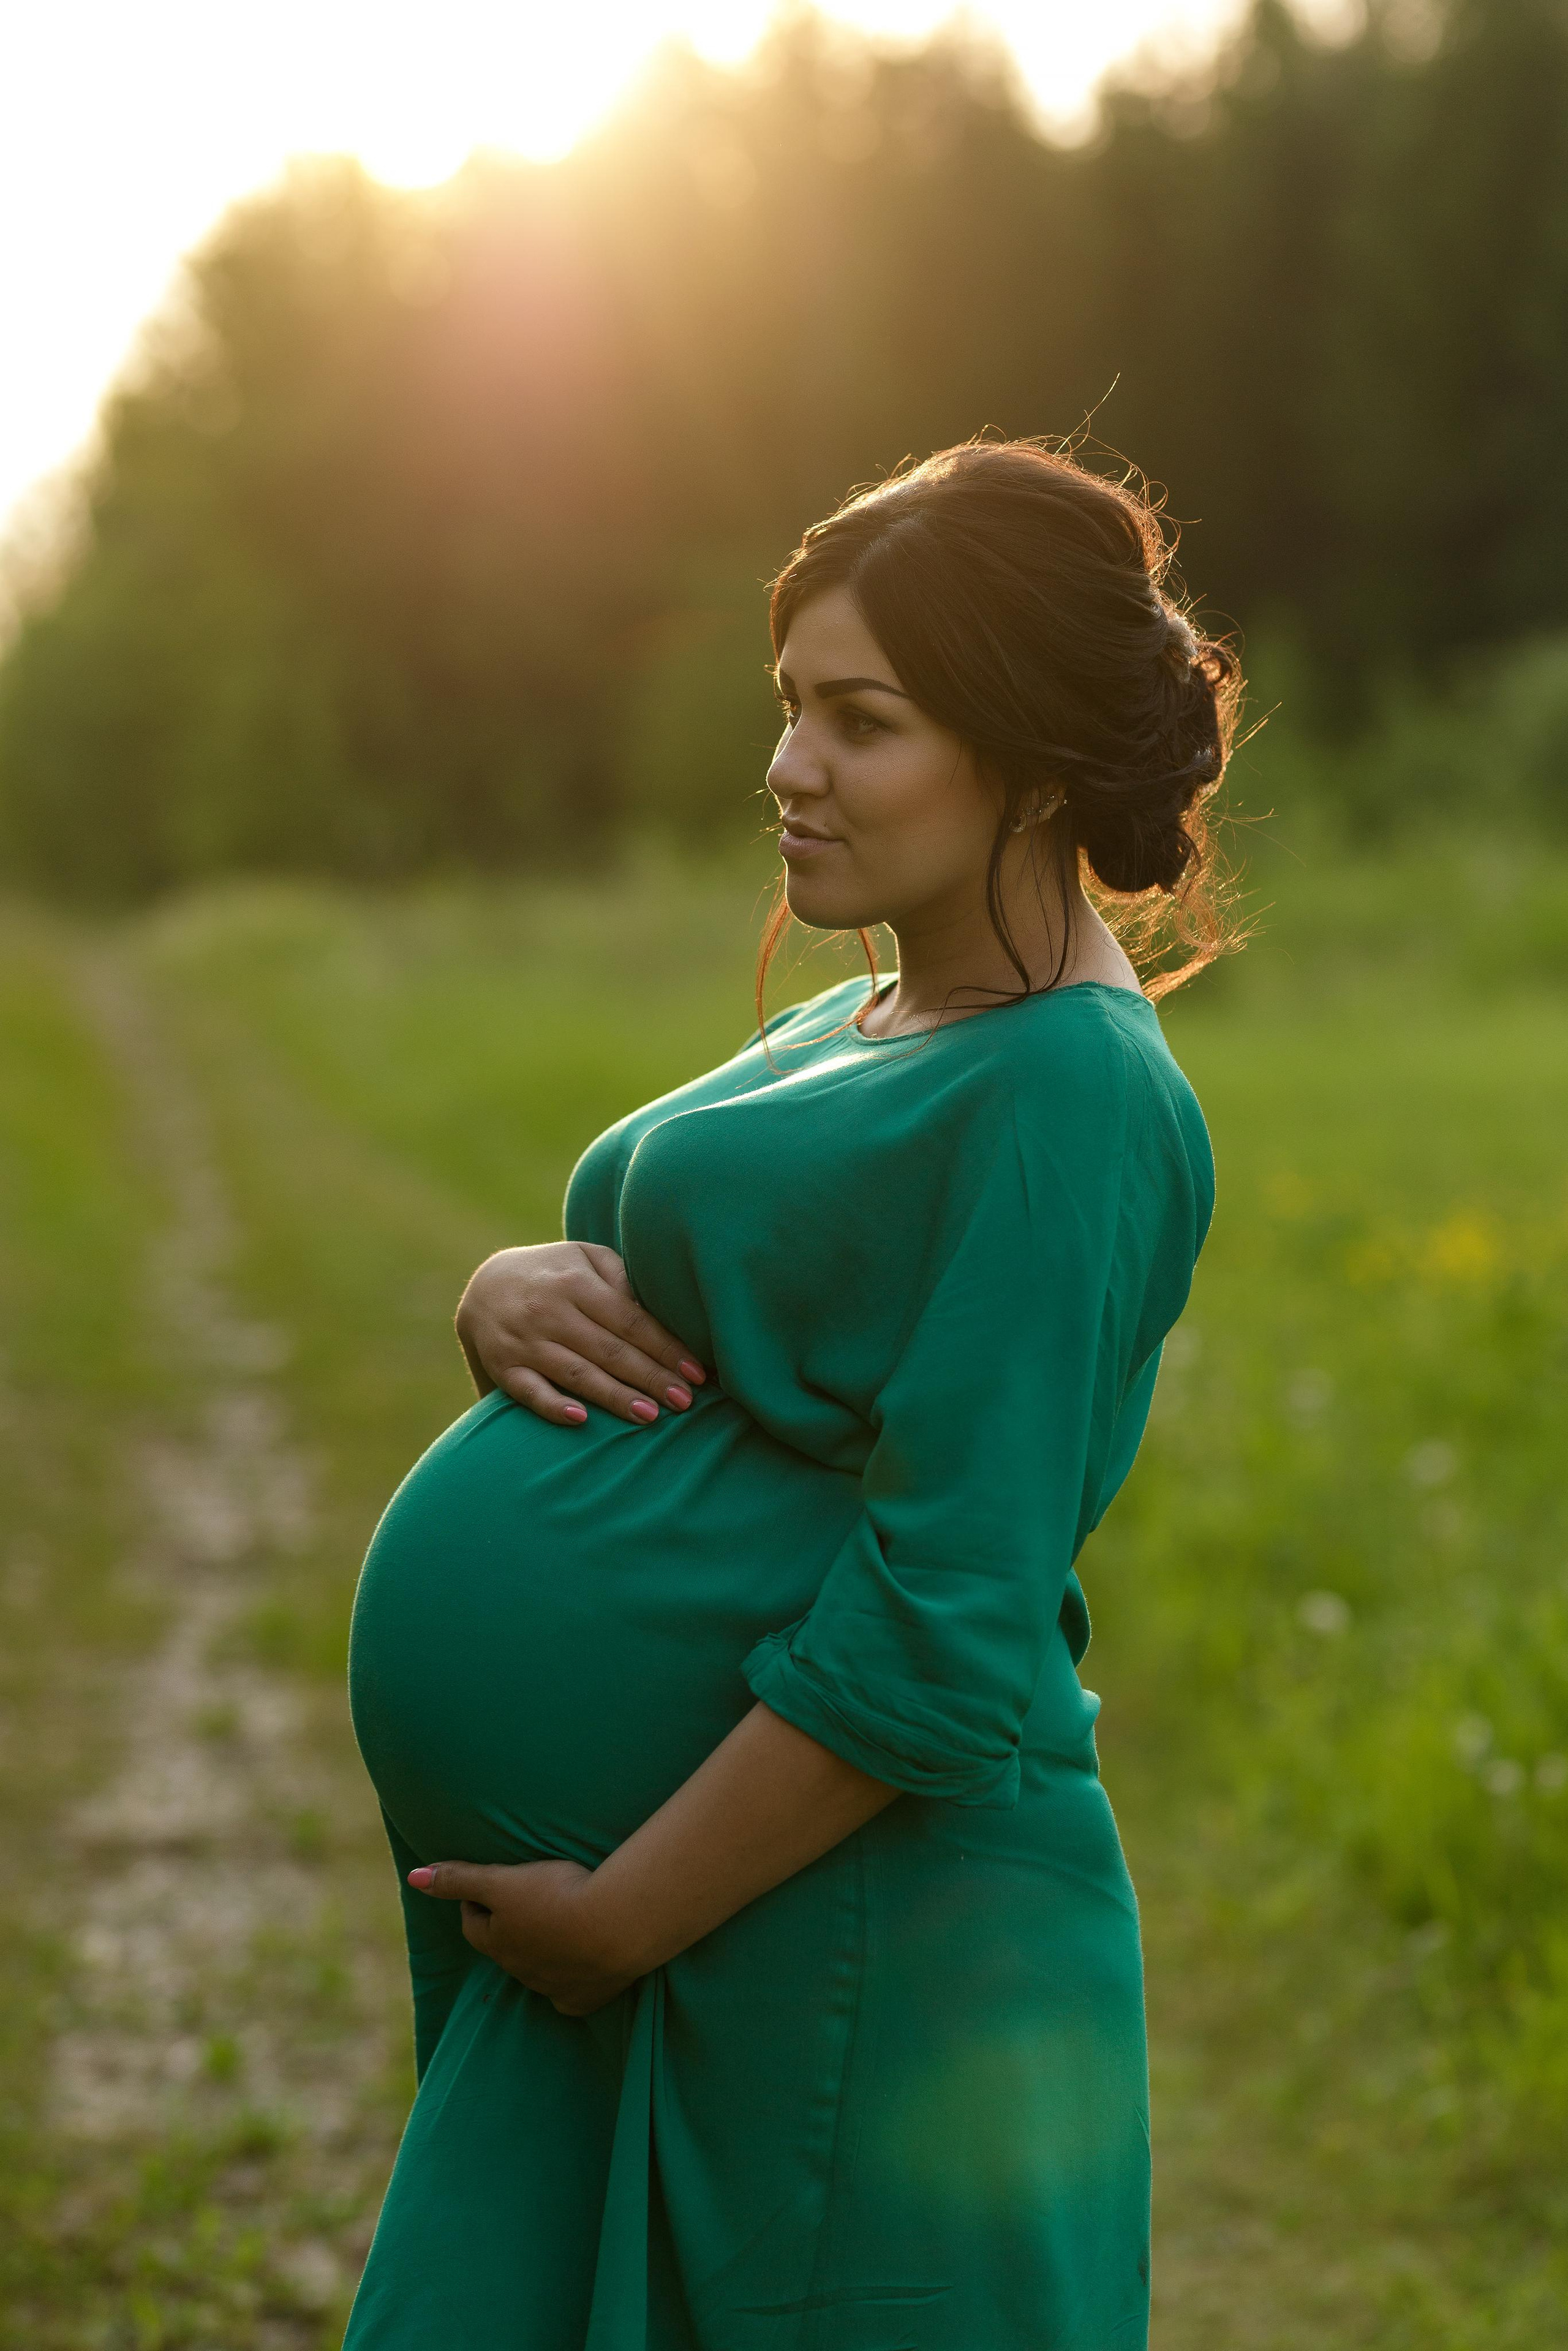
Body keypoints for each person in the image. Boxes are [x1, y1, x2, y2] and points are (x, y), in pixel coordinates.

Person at [343, 437, 1238, 2350]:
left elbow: (947, 1614)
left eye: (863, 718)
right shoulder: (881, 1006)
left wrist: (628, 1917)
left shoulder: (1072, 1095)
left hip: (850, 1951)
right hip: (714, 1930)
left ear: (1031, 750)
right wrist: (504, 1292)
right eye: (788, 709)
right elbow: (720, 1326)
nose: (787, 767)